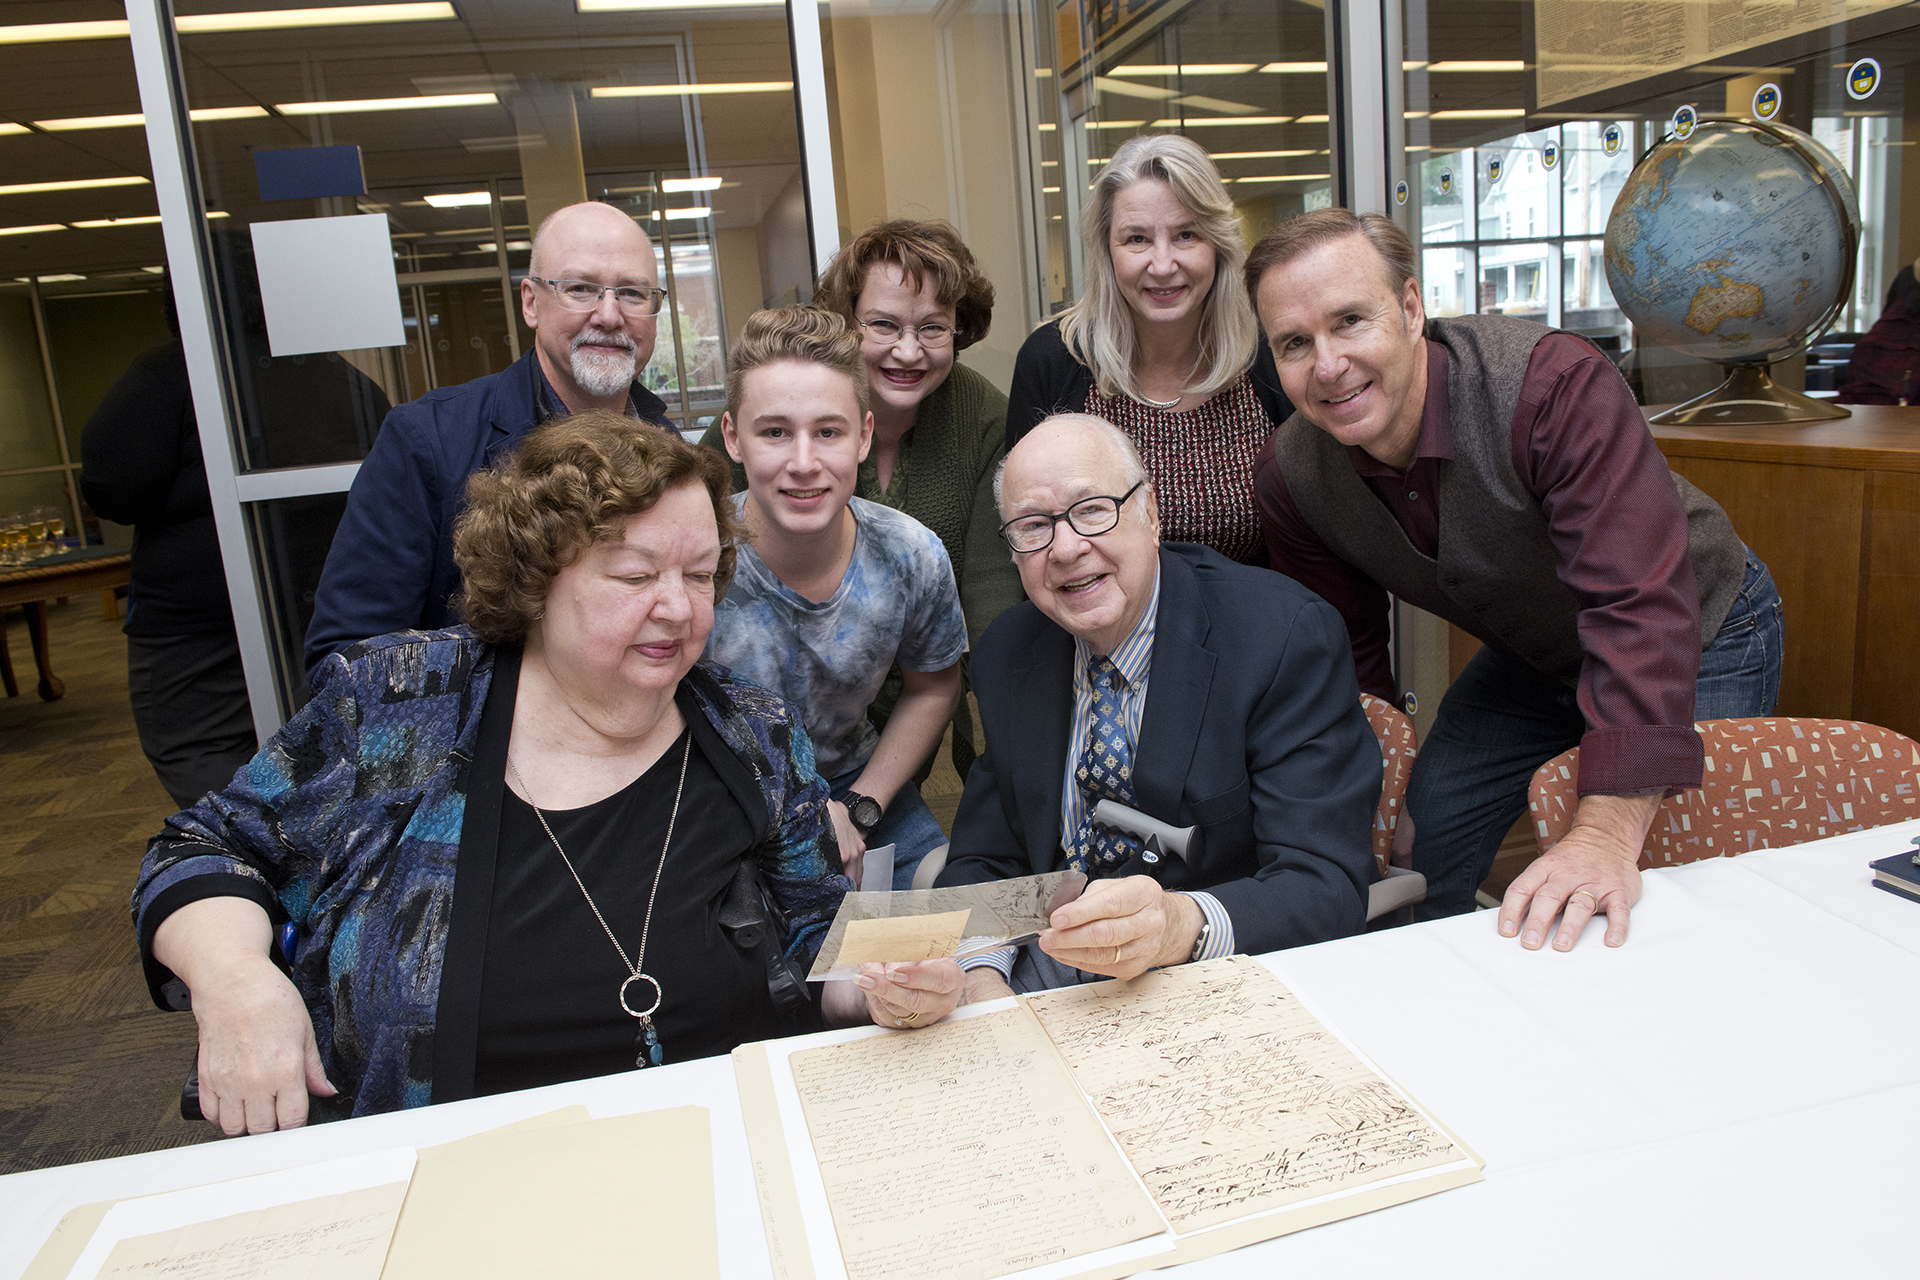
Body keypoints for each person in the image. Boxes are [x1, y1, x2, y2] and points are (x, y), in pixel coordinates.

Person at [133, 416, 956, 1134]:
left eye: (700, 575)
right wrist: (236, 980)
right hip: (450, 1173)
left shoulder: (752, 734)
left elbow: (818, 937)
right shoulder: (401, 705)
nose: (678, 607)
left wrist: (881, 983)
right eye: (634, 576)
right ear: (535, 579)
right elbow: (201, 850)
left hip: (713, 1151)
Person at [1246, 208, 1784, 954]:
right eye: (1295, 343)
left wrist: (1603, 829)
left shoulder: (1550, 387)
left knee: (1664, 880)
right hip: (1535, 651)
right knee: (1418, 840)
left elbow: (1637, 606)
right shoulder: (1292, 475)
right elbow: (1345, 654)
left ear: (1409, 309)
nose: (1328, 364)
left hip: (1695, 625)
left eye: (1350, 321)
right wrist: (1366, 786)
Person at [925, 413, 1378, 1005]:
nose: (1065, 549)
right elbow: (987, 856)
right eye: (1033, 526)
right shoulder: (1010, 653)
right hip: (1046, 977)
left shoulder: (1281, 637)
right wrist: (982, 977)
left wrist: (1178, 925)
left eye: (1092, 510)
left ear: (1152, 514)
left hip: (1215, 973)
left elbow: (1325, 882)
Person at [704, 219, 1022, 779]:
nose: (908, 350)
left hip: (897, 721)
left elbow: (992, 598)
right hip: (757, 730)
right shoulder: (773, 401)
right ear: (847, 324)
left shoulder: (984, 418)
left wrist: (1003, 759)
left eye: (933, 328)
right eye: (883, 324)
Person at [303, 200, 673, 674]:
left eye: (632, 293)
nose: (608, 314)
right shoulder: (426, 442)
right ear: (531, 302)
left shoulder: (666, 446)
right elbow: (346, 659)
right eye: (580, 289)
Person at [81, 288, 391, 808]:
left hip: (198, 623)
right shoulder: (334, 375)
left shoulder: (173, 371)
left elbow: (115, 487)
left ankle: (253, 863)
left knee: (199, 751)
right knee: (324, 745)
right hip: (321, 602)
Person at [707, 307, 967, 891]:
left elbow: (935, 685)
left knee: (948, 915)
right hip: (719, 791)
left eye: (828, 432)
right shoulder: (693, 561)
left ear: (864, 436)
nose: (804, 463)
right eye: (774, 432)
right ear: (733, 438)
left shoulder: (909, 555)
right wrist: (796, 813)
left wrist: (859, 806)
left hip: (856, 783)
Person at [1004, 134, 1293, 565]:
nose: (1162, 264)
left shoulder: (1267, 355)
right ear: (1107, 250)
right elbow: (1027, 533)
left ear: (1218, 245)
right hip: (1097, 628)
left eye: (1186, 235)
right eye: (1137, 239)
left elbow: (1310, 541)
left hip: (1251, 626)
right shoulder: (1054, 361)